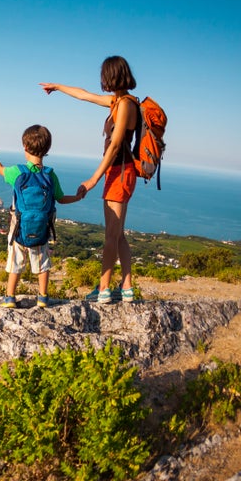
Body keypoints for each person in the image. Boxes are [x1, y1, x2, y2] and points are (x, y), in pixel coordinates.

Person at [39, 55, 140, 303]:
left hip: (120, 172)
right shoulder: (117, 102)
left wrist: (94, 179)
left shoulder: (125, 105)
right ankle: (126, 287)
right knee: (119, 235)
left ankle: (104, 289)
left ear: (111, 75)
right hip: (119, 172)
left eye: (104, 75)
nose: (101, 81)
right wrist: (58, 87)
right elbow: (84, 95)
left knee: (110, 236)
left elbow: (115, 146)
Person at [0, 124, 81, 309]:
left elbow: (0, 170)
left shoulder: (18, 172)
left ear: (24, 146)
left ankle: (10, 297)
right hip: (41, 229)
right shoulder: (50, 175)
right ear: (47, 150)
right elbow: (61, 199)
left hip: (19, 229)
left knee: (15, 263)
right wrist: (78, 197)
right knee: (42, 263)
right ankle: (43, 297)